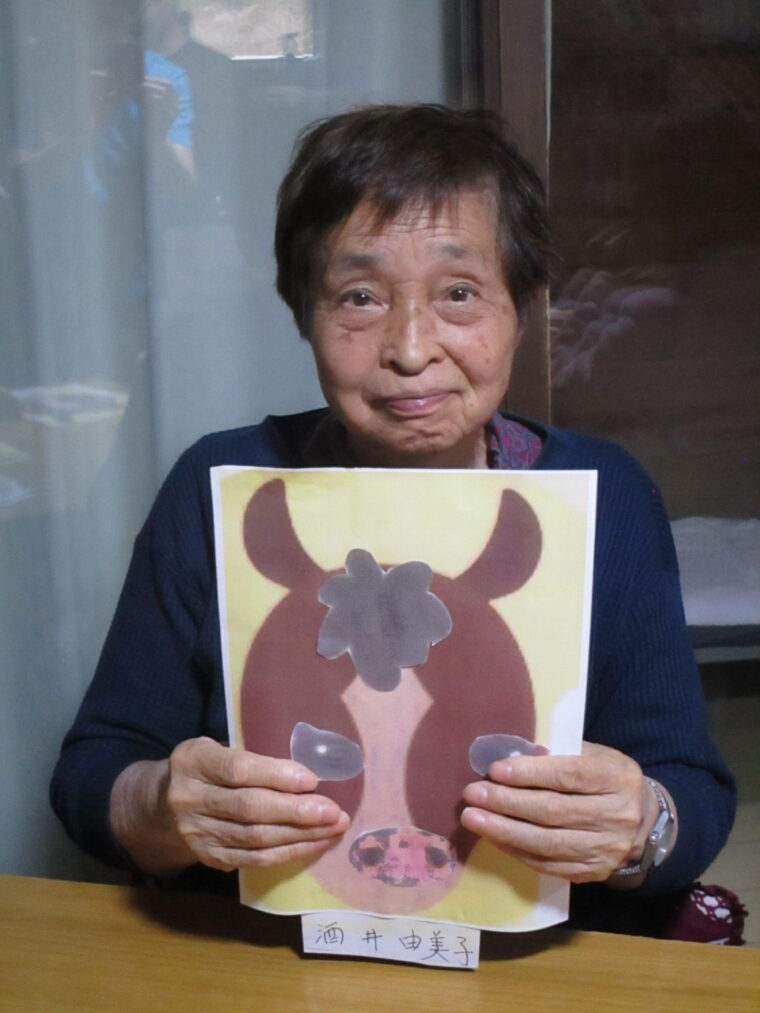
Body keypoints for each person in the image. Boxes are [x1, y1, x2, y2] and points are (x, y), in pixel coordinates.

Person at [51, 104, 735, 935]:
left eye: (459, 293)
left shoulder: (605, 495)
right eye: (360, 297)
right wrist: (161, 805)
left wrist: (640, 824)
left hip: (534, 965)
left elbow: (692, 792)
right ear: (303, 313)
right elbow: (92, 773)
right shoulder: (218, 487)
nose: (411, 348)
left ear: (523, 308)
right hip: (257, 958)